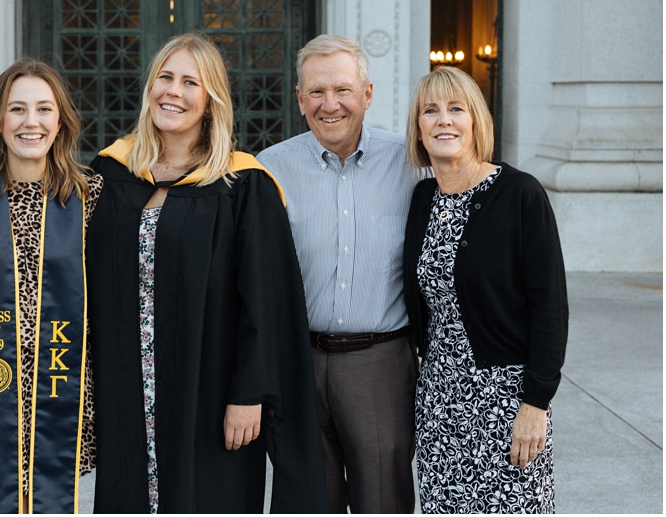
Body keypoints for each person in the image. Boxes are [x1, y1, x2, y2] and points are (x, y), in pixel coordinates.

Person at [86, 32, 327, 513]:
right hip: (127, 387)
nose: (173, 91)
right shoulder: (110, 173)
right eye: (165, 77)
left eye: (190, 82)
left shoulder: (242, 185)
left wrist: (250, 393)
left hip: (212, 389)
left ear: (211, 99)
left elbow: (264, 299)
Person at [257, 34, 420, 513]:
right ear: (299, 98)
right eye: (317, 92)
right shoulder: (270, 168)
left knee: (382, 502)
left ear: (367, 94)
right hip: (296, 363)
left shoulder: (412, 163)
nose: (330, 105)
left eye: (343, 90)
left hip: (381, 365)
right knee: (309, 499)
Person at [0, 59, 102, 513]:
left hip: (60, 382)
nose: (32, 122)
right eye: (17, 109)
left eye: (45, 109)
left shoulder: (92, 197)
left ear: (61, 120)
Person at [402, 66, 568, 513]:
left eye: (457, 109)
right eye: (430, 111)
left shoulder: (520, 195)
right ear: (418, 128)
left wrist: (537, 402)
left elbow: (550, 307)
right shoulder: (423, 200)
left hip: (506, 402)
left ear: (476, 120)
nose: (444, 120)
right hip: (439, 398)